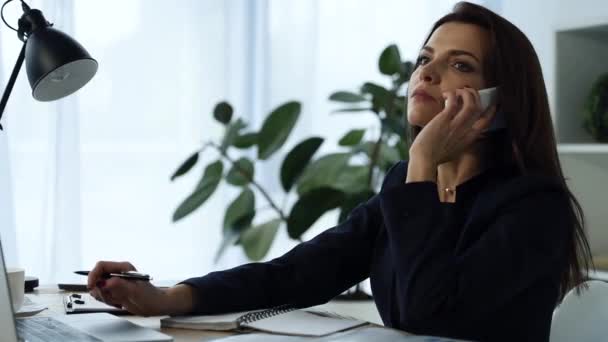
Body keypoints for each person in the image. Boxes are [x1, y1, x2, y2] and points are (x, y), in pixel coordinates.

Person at [88, 2, 593, 341]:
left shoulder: (534, 208)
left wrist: (421, 163)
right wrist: (170, 295)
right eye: (425, 58)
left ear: (499, 103)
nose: (427, 73)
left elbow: (428, 314)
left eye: (460, 65)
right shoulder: (405, 186)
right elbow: (302, 272)